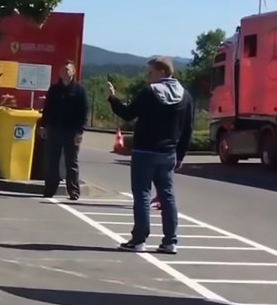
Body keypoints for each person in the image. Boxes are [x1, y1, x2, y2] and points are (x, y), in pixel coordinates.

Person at [107, 56, 194, 254]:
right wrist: (180, 155)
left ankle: (139, 239)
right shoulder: (185, 96)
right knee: (167, 196)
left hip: (145, 150)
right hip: (168, 153)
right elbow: (188, 129)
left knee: (142, 195)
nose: (148, 77)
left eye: (150, 72)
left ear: (162, 72)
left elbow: (128, 114)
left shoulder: (149, 93)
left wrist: (112, 98)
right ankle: (170, 241)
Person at [38, 60, 87, 200]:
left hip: (71, 131)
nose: (64, 72)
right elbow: (47, 109)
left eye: (67, 69)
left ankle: (73, 191)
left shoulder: (79, 90)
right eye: (62, 69)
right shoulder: (54, 89)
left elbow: (83, 113)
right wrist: (43, 126)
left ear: (73, 72)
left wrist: (80, 131)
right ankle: (49, 190)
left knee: (71, 162)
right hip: (54, 129)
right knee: (51, 161)